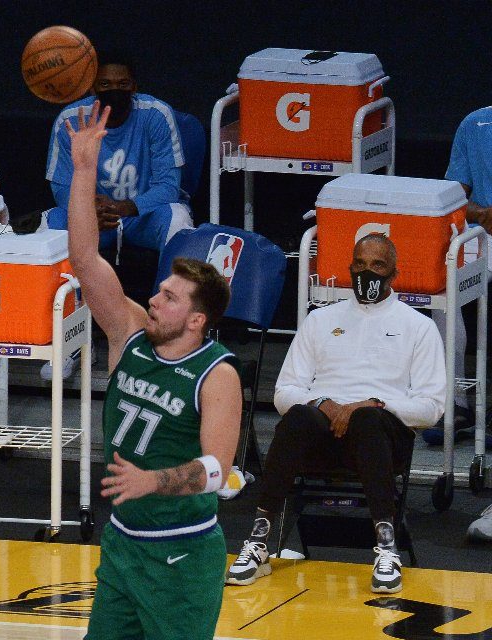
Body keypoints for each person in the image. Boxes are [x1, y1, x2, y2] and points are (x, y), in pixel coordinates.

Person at [68, 102, 242, 640]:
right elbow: (83, 260)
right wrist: (83, 171)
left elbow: (217, 470)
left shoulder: (217, 375)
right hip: (123, 542)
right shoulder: (130, 334)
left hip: (182, 553)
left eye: (167, 297)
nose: (154, 297)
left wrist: (154, 481)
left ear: (196, 319)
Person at [226, 234, 446, 594]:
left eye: (377, 265)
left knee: (367, 420)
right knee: (297, 416)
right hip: (322, 434)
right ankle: (259, 541)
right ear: (349, 268)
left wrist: (374, 404)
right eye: (359, 264)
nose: (367, 272)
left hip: (381, 438)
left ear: (394, 274)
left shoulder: (418, 326)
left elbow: (431, 407)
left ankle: (386, 548)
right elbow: (285, 391)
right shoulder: (320, 320)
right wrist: (324, 404)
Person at [45, 50, 193, 256]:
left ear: (134, 87)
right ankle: (66, 290)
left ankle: (170, 288)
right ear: (92, 88)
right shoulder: (71, 119)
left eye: (123, 84)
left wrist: (123, 207)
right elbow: (61, 188)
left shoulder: (156, 114)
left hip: (143, 217)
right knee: (51, 222)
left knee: (178, 218)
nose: (114, 90)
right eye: (105, 84)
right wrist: (86, 209)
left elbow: (168, 187)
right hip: (92, 218)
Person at [445, 105, 492, 539]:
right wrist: (481, 216)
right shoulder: (475, 123)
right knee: (440, 279)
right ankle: (453, 404)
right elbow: (454, 198)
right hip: (484, 235)